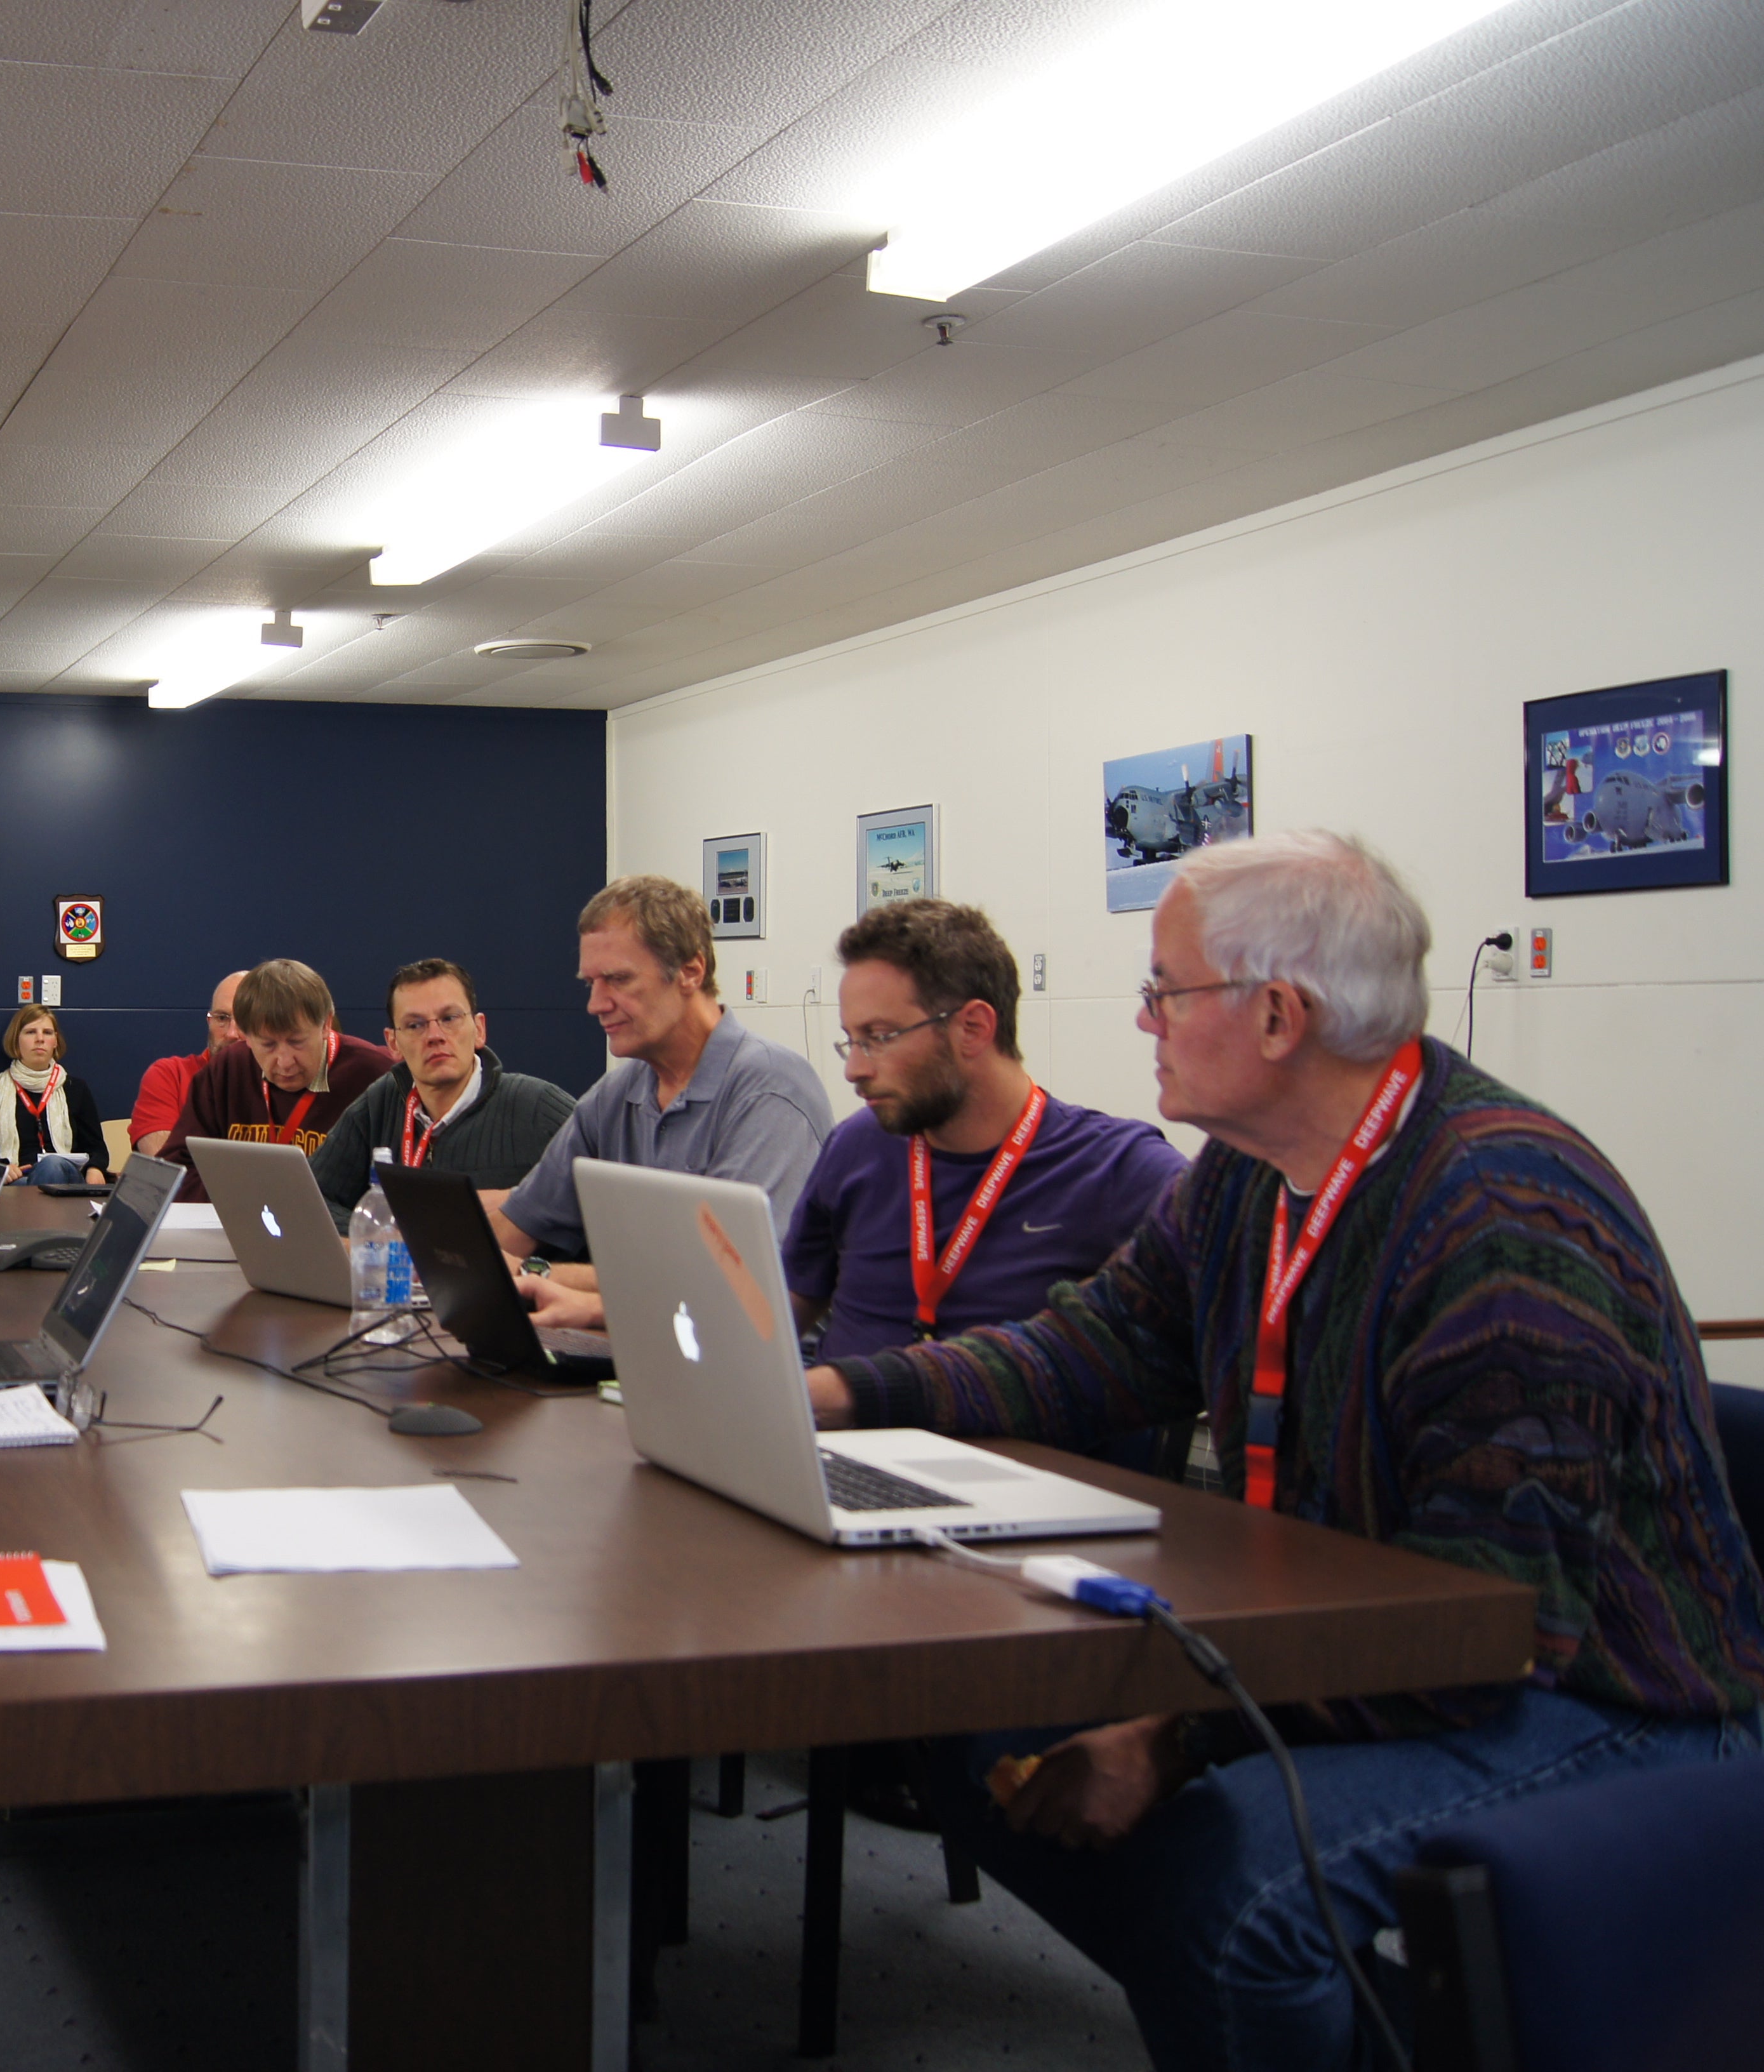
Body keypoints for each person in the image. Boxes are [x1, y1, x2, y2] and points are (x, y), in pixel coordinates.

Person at [805, 832, 1764, 2072]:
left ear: (1275, 1015)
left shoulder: (1499, 1223)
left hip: (1600, 1699)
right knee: (989, 1752)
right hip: (1373, 1639)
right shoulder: (1245, 1179)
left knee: (1231, 1897)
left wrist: (1176, 1736)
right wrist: (840, 1390)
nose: (1141, 1018)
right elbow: (1091, 1345)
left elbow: (1483, 1622)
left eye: (1163, 988)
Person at [785, 900, 1186, 1362]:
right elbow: (774, 1319)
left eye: (879, 1037)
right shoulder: (858, 1146)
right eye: (851, 1040)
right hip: (832, 1408)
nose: (854, 1069)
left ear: (973, 1029)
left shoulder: (1119, 1172)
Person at [492, 873, 830, 1299]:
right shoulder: (615, 1097)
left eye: (618, 979)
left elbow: (724, 1281)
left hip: (737, 1338)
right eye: (590, 984)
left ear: (691, 972)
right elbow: (516, 1227)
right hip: (644, 1330)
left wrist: (536, 1275)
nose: (595, 1004)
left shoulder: (770, 1090)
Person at [310, 957, 575, 1216]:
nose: (435, 1036)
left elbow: (594, 1197)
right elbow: (310, 1198)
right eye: (415, 1025)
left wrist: (519, 1207)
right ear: (393, 1044)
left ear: (479, 1029)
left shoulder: (536, 1106)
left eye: (449, 1018)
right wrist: (375, 1231)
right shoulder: (379, 1104)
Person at [156, 959, 393, 1198]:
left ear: (326, 1025)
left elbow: (395, 1186)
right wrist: (249, 1195)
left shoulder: (377, 1075)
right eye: (268, 1045)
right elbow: (175, 1173)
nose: (285, 1062)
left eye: (297, 1042)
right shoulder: (227, 1069)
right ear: (246, 1035)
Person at [0, 1003, 107, 1185]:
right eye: (31, 1032)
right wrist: (0, 1168)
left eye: (48, 1033)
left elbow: (97, 1148)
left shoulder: (75, 1088)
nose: (40, 1039)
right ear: (16, 1040)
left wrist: (95, 1169)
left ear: (56, 1041)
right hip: (16, 1181)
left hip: (67, 1180)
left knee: (52, 1164)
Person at [131, 969, 248, 1157]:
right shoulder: (171, 1076)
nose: (232, 1034)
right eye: (222, 1018)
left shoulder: (286, 1084)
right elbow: (166, 1164)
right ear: (209, 1021)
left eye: (246, 1020)